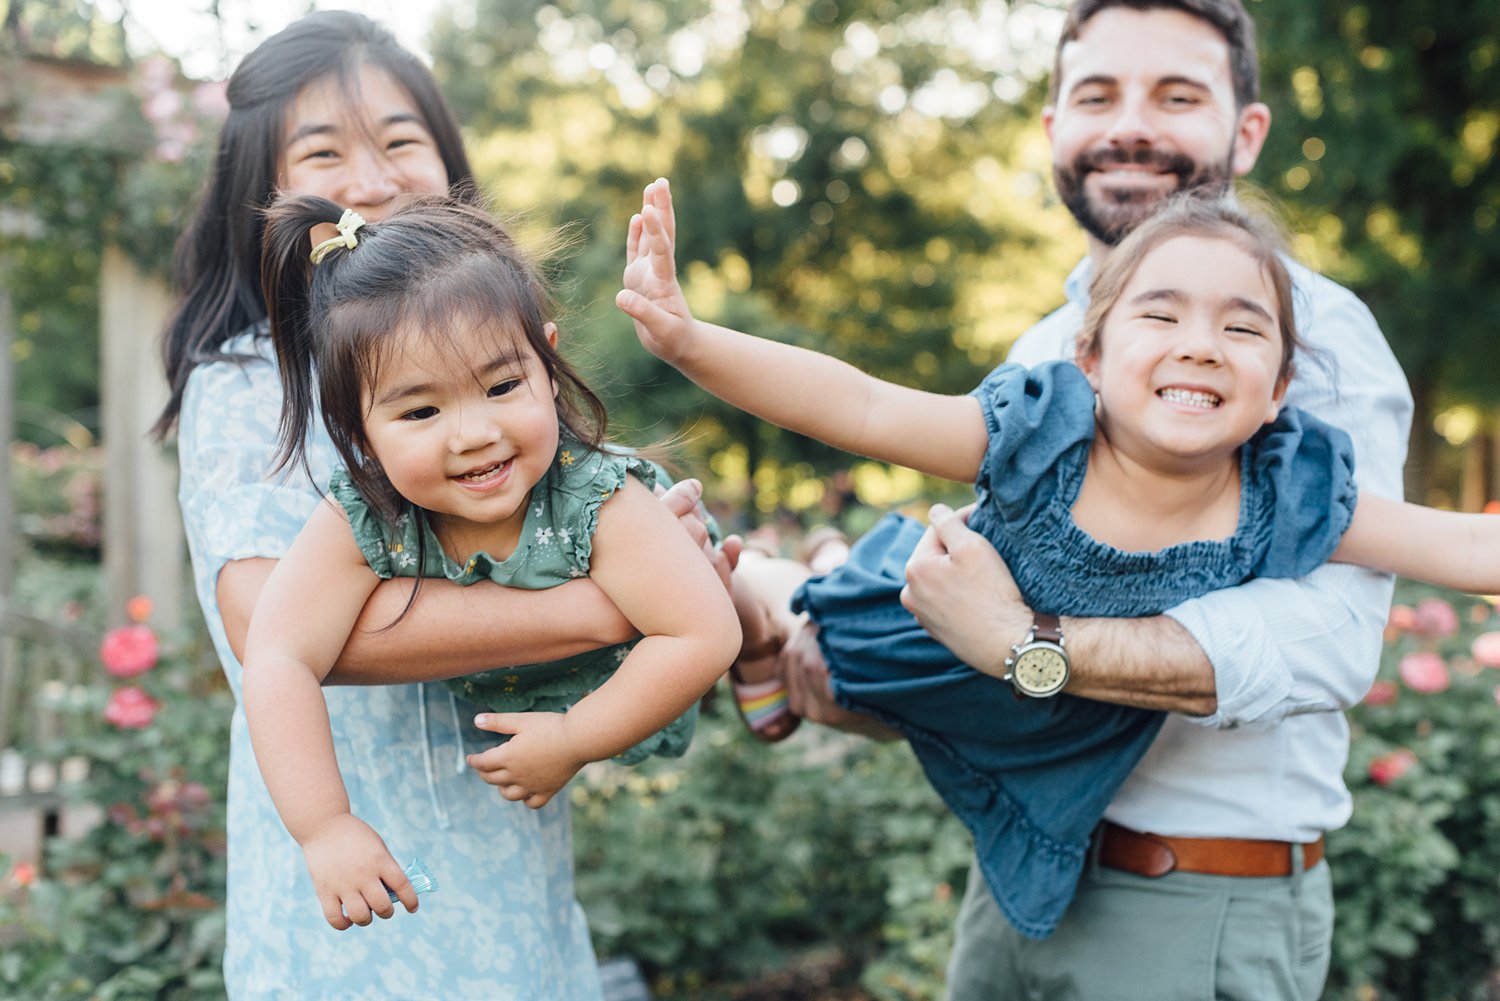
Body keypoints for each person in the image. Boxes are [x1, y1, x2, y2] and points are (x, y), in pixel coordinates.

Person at [619, 179, 1495, 939]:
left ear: (1276, 392)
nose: (1200, 342)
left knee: (831, 631)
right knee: (810, 607)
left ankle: (799, 585)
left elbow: (1460, 543)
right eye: (1161, 313)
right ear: (1091, 355)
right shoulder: (1043, 433)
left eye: (1242, 326)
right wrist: (690, 338)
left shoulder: (1284, 495)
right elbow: (864, 405)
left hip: (1040, 714)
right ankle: (762, 612)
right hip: (914, 628)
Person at [153, 12, 723, 998]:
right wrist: (597, 607)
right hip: (346, 873)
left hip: (504, 865)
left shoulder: (509, 395)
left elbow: (654, 578)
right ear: (262, 193)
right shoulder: (247, 383)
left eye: (401, 139)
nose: (370, 178)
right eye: (323, 151)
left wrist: (667, 582)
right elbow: (264, 621)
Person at [884, 1, 1410, 997]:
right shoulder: (1044, 348)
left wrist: (1027, 643)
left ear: (1244, 132)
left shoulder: (1311, 342)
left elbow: (1326, 638)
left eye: (1176, 96)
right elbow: (979, 613)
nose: (1130, 125)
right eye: (1097, 95)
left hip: (1193, 896)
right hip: (1019, 874)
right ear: (1053, 132)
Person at [247, 193, 738, 930]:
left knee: (740, 578)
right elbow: (277, 653)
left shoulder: (595, 494)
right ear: (356, 426)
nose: (475, 433)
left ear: (547, 359)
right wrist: (325, 826)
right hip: (580, 671)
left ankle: (780, 645)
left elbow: (705, 633)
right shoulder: (366, 512)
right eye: (421, 411)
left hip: (667, 627)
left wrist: (574, 739)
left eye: (503, 386)